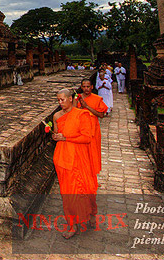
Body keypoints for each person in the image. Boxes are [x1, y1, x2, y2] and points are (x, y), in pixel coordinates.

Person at [51, 88, 97, 238]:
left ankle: (89, 214)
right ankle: (72, 225)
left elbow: (87, 138)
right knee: (68, 194)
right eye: (58, 100)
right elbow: (57, 134)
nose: (60, 102)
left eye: (62, 99)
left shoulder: (82, 114)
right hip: (63, 157)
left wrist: (66, 137)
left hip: (79, 157)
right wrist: (56, 136)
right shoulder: (56, 115)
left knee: (85, 188)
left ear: (71, 99)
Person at [75, 78, 108, 184]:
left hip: (93, 130)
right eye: (84, 87)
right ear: (81, 87)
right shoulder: (77, 98)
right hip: (80, 130)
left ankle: (92, 178)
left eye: (88, 86)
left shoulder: (97, 99)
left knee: (92, 154)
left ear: (92, 87)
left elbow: (101, 115)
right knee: (80, 154)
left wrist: (87, 107)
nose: (86, 89)